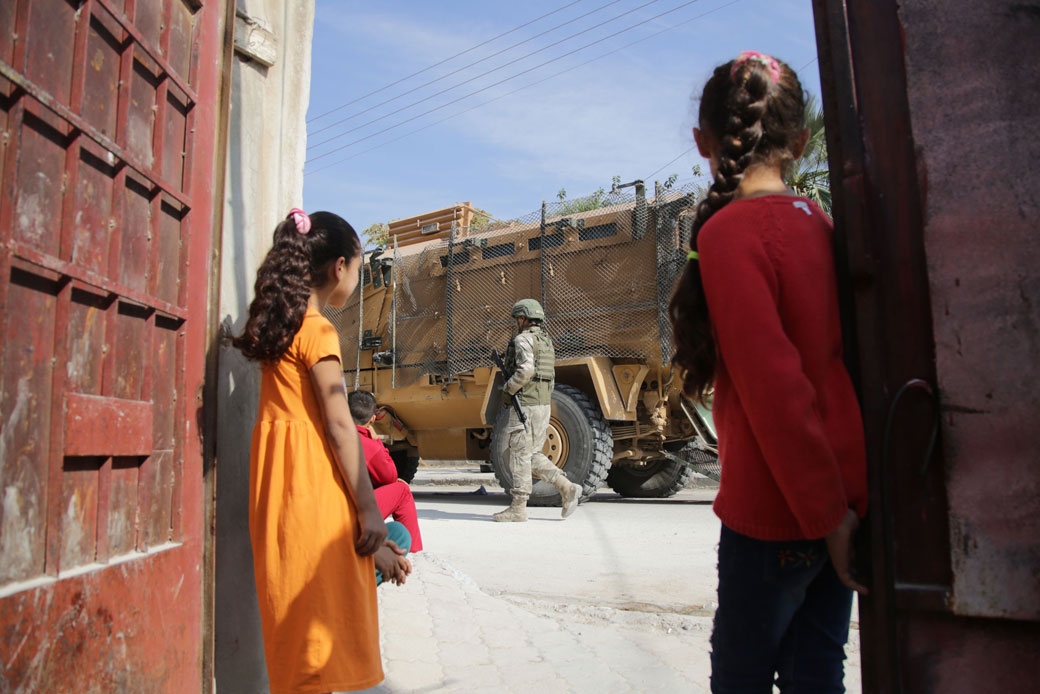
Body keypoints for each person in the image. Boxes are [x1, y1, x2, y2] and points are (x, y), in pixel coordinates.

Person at [667, 52, 869, 693]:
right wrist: (839, 511)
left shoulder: (728, 236)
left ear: (702, 142)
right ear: (803, 142)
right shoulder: (821, 225)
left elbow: (776, 392)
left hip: (779, 513)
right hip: (841, 494)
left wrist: (824, 518)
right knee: (817, 672)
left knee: (741, 677)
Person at [233, 208, 403, 693]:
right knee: (318, 636)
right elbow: (338, 426)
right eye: (359, 269)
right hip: (311, 488)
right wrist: (369, 511)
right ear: (339, 268)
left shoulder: (281, 329)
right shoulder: (319, 330)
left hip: (281, 493)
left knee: (298, 620)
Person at [492, 299, 582, 522]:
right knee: (532, 454)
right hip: (542, 405)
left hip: (526, 404)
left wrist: (508, 390)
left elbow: (525, 371)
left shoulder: (524, 339)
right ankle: (567, 487)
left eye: (518, 318)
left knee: (520, 454)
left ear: (523, 318)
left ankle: (518, 508)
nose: (517, 322)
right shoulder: (546, 342)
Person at [348, 389, 424, 552]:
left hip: (327, 509)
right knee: (402, 489)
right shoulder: (366, 444)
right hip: (349, 516)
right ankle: (413, 551)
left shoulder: (326, 436)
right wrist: (376, 442)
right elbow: (390, 477)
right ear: (372, 419)